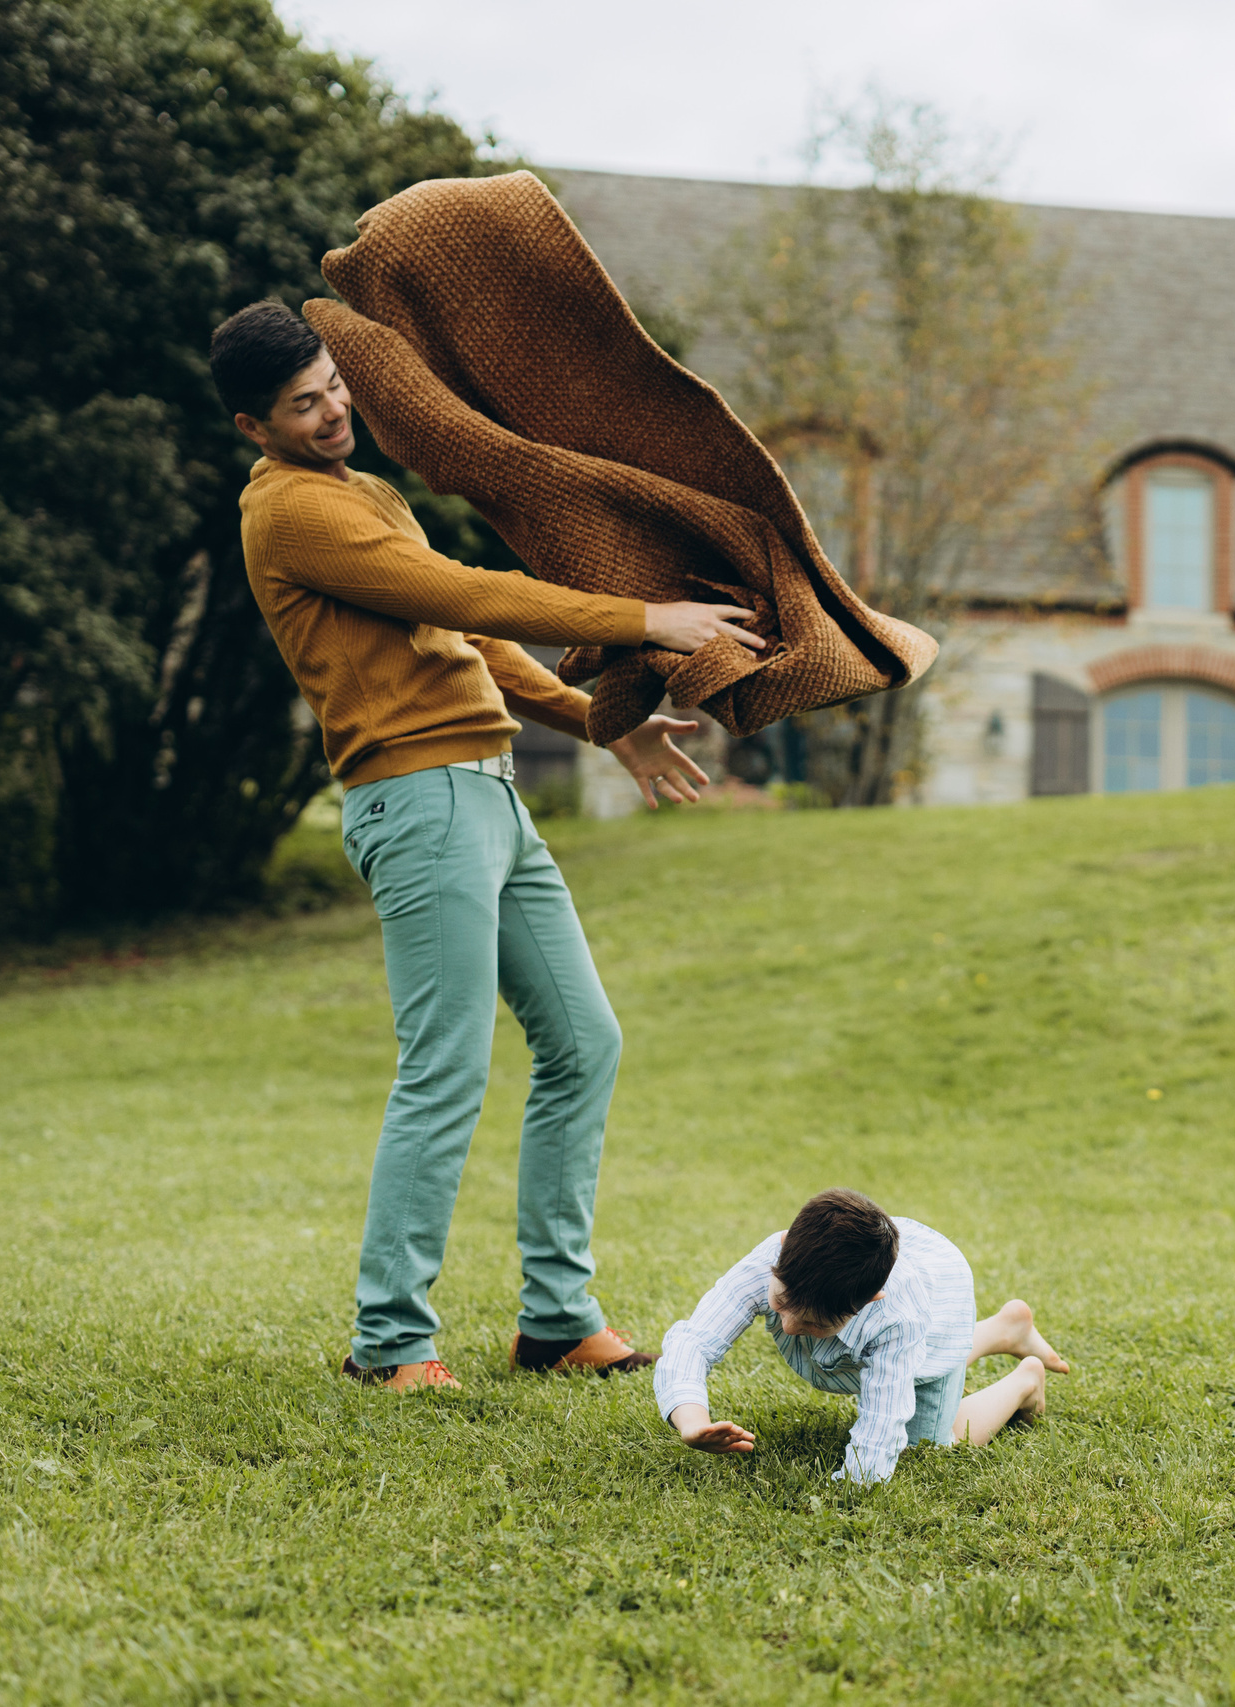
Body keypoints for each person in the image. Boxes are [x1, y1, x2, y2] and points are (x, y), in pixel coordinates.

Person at [213, 298, 769, 1392]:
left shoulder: (359, 492)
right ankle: (390, 1342)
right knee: (446, 1068)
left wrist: (607, 727)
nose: (332, 413)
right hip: (416, 800)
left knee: (583, 1041)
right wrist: (643, 620)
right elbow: (462, 591)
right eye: (301, 406)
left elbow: (469, 639)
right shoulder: (290, 514)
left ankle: (557, 1319)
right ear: (253, 427)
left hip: (486, 794)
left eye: (333, 387)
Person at [654, 1189, 1069, 1482]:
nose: (790, 1328)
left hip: (941, 1299)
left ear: (870, 1300)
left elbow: (882, 1430)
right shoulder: (774, 1259)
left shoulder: (897, 1318)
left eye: (815, 1325)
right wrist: (692, 1421)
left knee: (925, 1443)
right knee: (905, 1364)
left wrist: (850, 1488)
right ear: (782, 1248)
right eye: (780, 1304)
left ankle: (1024, 1380)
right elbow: (695, 1339)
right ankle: (1005, 1328)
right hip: (892, 1271)